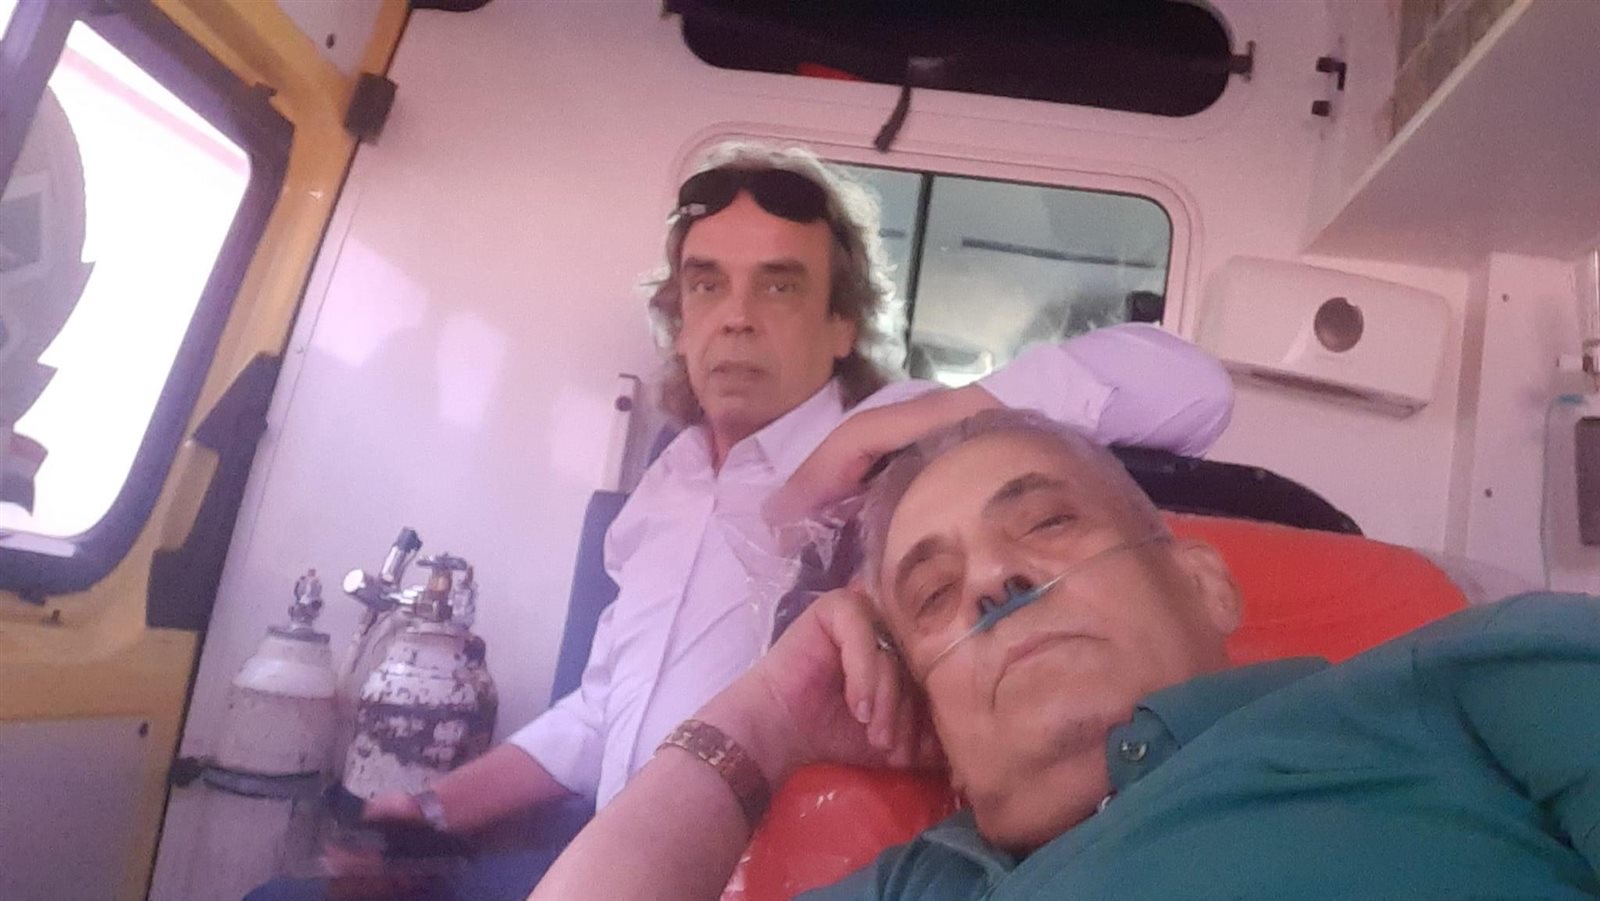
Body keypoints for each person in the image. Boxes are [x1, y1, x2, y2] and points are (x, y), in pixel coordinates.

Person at [250, 144, 1233, 900]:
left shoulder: (903, 458)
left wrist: (897, 425)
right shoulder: (666, 484)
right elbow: (602, 707)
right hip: (629, 855)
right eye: (706, 284)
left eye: (780, 284)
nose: (736, 315)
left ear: (841, 323)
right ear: (679, 319)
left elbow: (1190, 386)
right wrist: (428, 807)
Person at [533, 407, 1600, 900]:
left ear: (1203, 581)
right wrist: (765, 714)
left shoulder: (1457, 685)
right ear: (931, 711)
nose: (994, 581)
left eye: (1045, 523)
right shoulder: (919, 886)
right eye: (934, 594)